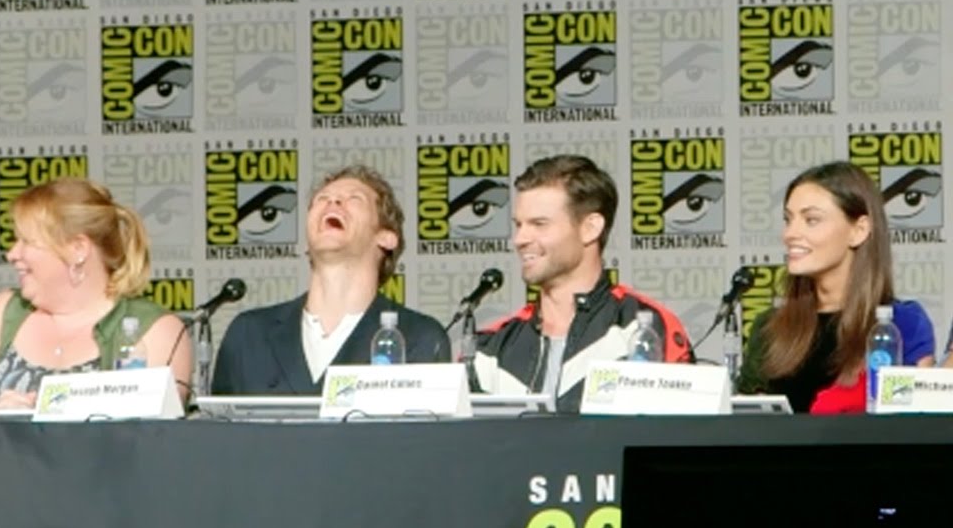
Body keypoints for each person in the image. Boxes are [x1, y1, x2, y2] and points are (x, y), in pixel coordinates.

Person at [0, 177, 191, 418]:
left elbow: (152, 429)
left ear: (78, 248)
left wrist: (34, 427)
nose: (12, 254)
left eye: (27, 241)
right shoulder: (2, 311)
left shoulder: (154, 330)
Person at [474, 155, 693, 413]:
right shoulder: (490, 347)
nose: (520, 239)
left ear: (590, 228)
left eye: (539, 224)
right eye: (519, 225)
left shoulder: (644, 328)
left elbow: (680, 432)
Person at [211, 164, 450, 395]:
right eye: (322, 199)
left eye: (354, 198)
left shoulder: (418, 337)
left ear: (386, 238)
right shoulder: (249, 335)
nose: (332, 202)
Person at [738, 161, 935, 413]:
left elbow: (916, 424)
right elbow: (745, 423)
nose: (790, 234)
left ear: (859, 230)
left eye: (811, 220)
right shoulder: (768, 328)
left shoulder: (901, 324)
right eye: (788, 219)